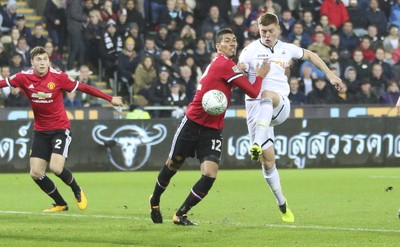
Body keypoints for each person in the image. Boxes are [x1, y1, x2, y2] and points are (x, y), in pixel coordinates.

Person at [149, 28, 270, 226]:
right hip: (192, 123)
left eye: (234, 40)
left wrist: (241, 70)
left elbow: (232, 80)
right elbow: (254, 91)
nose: (233, 43)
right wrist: (261, 74)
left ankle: (181, 214)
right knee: (173, 165)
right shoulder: (224, 65)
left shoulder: (226, 65)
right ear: (218, 46)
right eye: (227, 40)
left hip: (213, 128)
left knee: (210, 174)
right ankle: (154, 201)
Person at [238, 13, 344, 223]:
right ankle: (282, 204)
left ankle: (256, 143)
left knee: (267, 94)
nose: (266, 35)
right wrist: (240, 69)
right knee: (268, 163)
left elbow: (311, 55)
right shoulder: (249, 51)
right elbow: (239, 70)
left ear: (278, 29)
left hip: (280, 105)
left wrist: (331, 75)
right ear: (258, 30)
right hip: (255, 111)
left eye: (270, 31)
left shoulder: (287, 49)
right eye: (262, 31)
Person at [0, 46, 123, 212]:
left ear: (48, 60)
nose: (42, 63)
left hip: (60, 129)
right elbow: (3, 83)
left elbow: (83, 88)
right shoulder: (23, 77)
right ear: (32, 62)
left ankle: (77, 190)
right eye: (38, 59)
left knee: (56, 168)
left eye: (45, 59)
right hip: (41, 132)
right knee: (36, 173)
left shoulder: (59, 77)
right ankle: (60, 203)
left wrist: (110, 98)